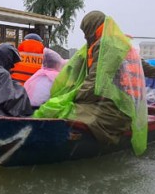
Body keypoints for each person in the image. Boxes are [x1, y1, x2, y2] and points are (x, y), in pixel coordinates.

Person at [34, 11, 148, 154]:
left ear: (93, 27)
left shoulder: (108, 46)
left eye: (85, 30)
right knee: (59, 106)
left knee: (64, 110)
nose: (84, 35)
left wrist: (73, 98)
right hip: (105, 101)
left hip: (114, 108)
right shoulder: (104, 45)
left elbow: (96, 82)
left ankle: (64, 138)